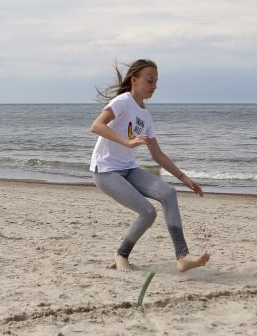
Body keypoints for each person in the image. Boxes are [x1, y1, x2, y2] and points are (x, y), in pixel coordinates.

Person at [90, 59, 210, 273]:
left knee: (168, 192)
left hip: (128, 169)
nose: (154, 86)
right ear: (134, 80)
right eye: (150, 81)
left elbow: (157, 154)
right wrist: (127, 142)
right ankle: (121, 255)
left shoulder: (145, 115)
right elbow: (97, 125)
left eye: (156, 82)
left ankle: (182, 256)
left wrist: (185, 178)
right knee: (147, 212)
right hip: (106, 171)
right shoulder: (123, 101)